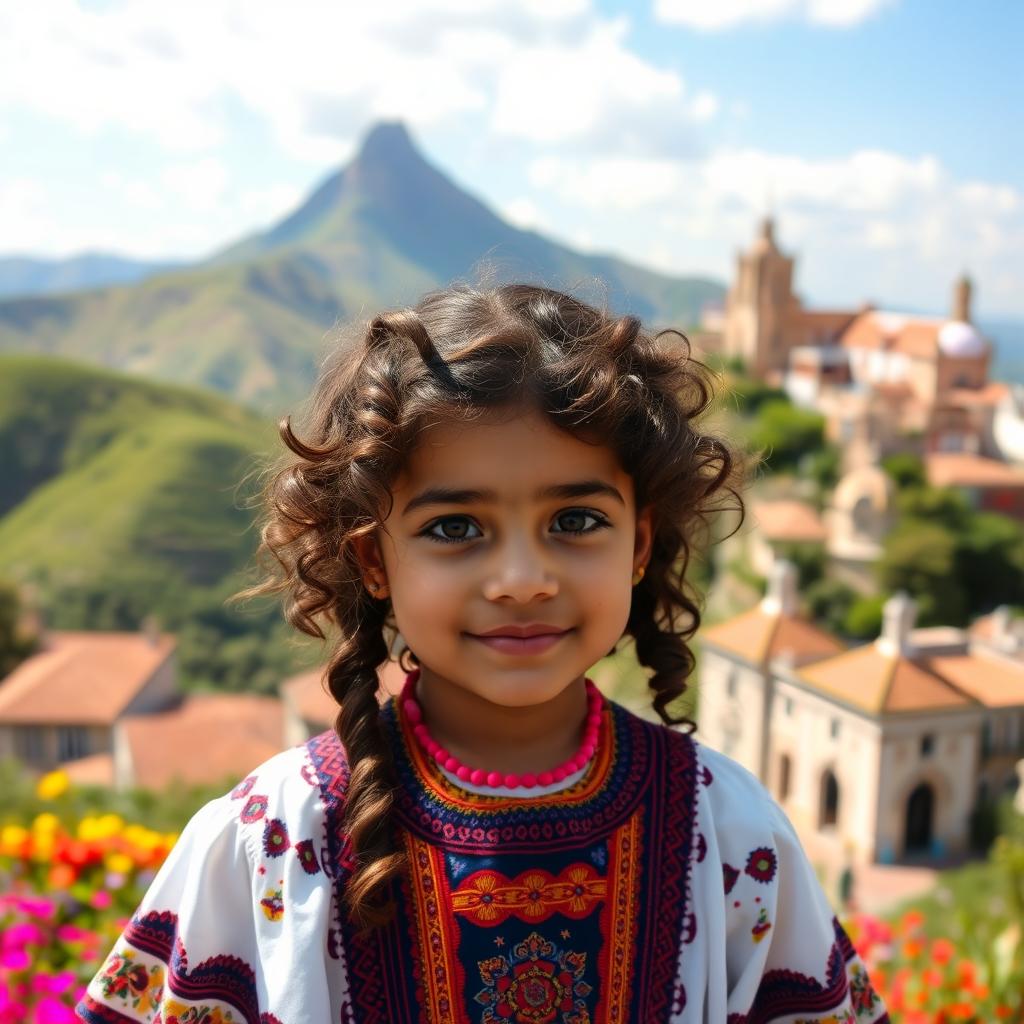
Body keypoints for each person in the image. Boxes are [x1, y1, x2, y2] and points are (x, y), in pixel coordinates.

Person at [76, 283, 887, 1023]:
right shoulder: (276, 839)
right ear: (373, 561)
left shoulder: (731, 835)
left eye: (575, 522)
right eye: (455, 528)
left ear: (639, 546)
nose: (523, 581)